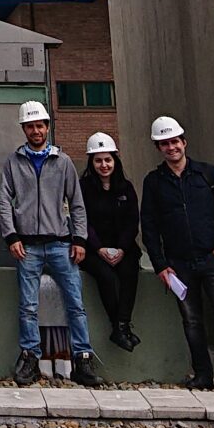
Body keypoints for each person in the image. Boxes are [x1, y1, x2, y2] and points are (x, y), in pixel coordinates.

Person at [139, 115, 214, 392]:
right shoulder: (154, 182)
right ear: (159, 148)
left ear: (184, 142)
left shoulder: (208, 174)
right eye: (164, 144)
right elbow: (150, 226)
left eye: (174, 142)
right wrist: (161, 265)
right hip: (179, 265)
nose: (171, 147)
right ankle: (203, 375)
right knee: (191, 321)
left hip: (212, 260)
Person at [0, 101, 103, 387]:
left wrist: (79, 239)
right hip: (27, 246)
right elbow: (5, 201)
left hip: (60, 243)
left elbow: (77, 204)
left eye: (40, 125)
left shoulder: (63, 162)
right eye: (30, 126)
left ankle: (82, 357)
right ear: (24, 128)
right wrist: (11, 236)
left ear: (47, 127)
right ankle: (30, 356)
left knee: (75, 304)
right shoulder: (13, 163)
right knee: (28, 306)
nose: (36, 130)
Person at [79, 132, 144, 353]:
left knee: (129, 272)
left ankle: (122, 325)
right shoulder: (84, 188)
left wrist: (122, 249)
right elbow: (82, 219)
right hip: (92, 249)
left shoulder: (126, 188)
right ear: (91, 162)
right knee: (105, 276)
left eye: (108, 160)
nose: (104, 165)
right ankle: (118, 326)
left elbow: (132, 221)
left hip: (123, 249)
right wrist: (99, 248)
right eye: (98, 160)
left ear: (115, 160)